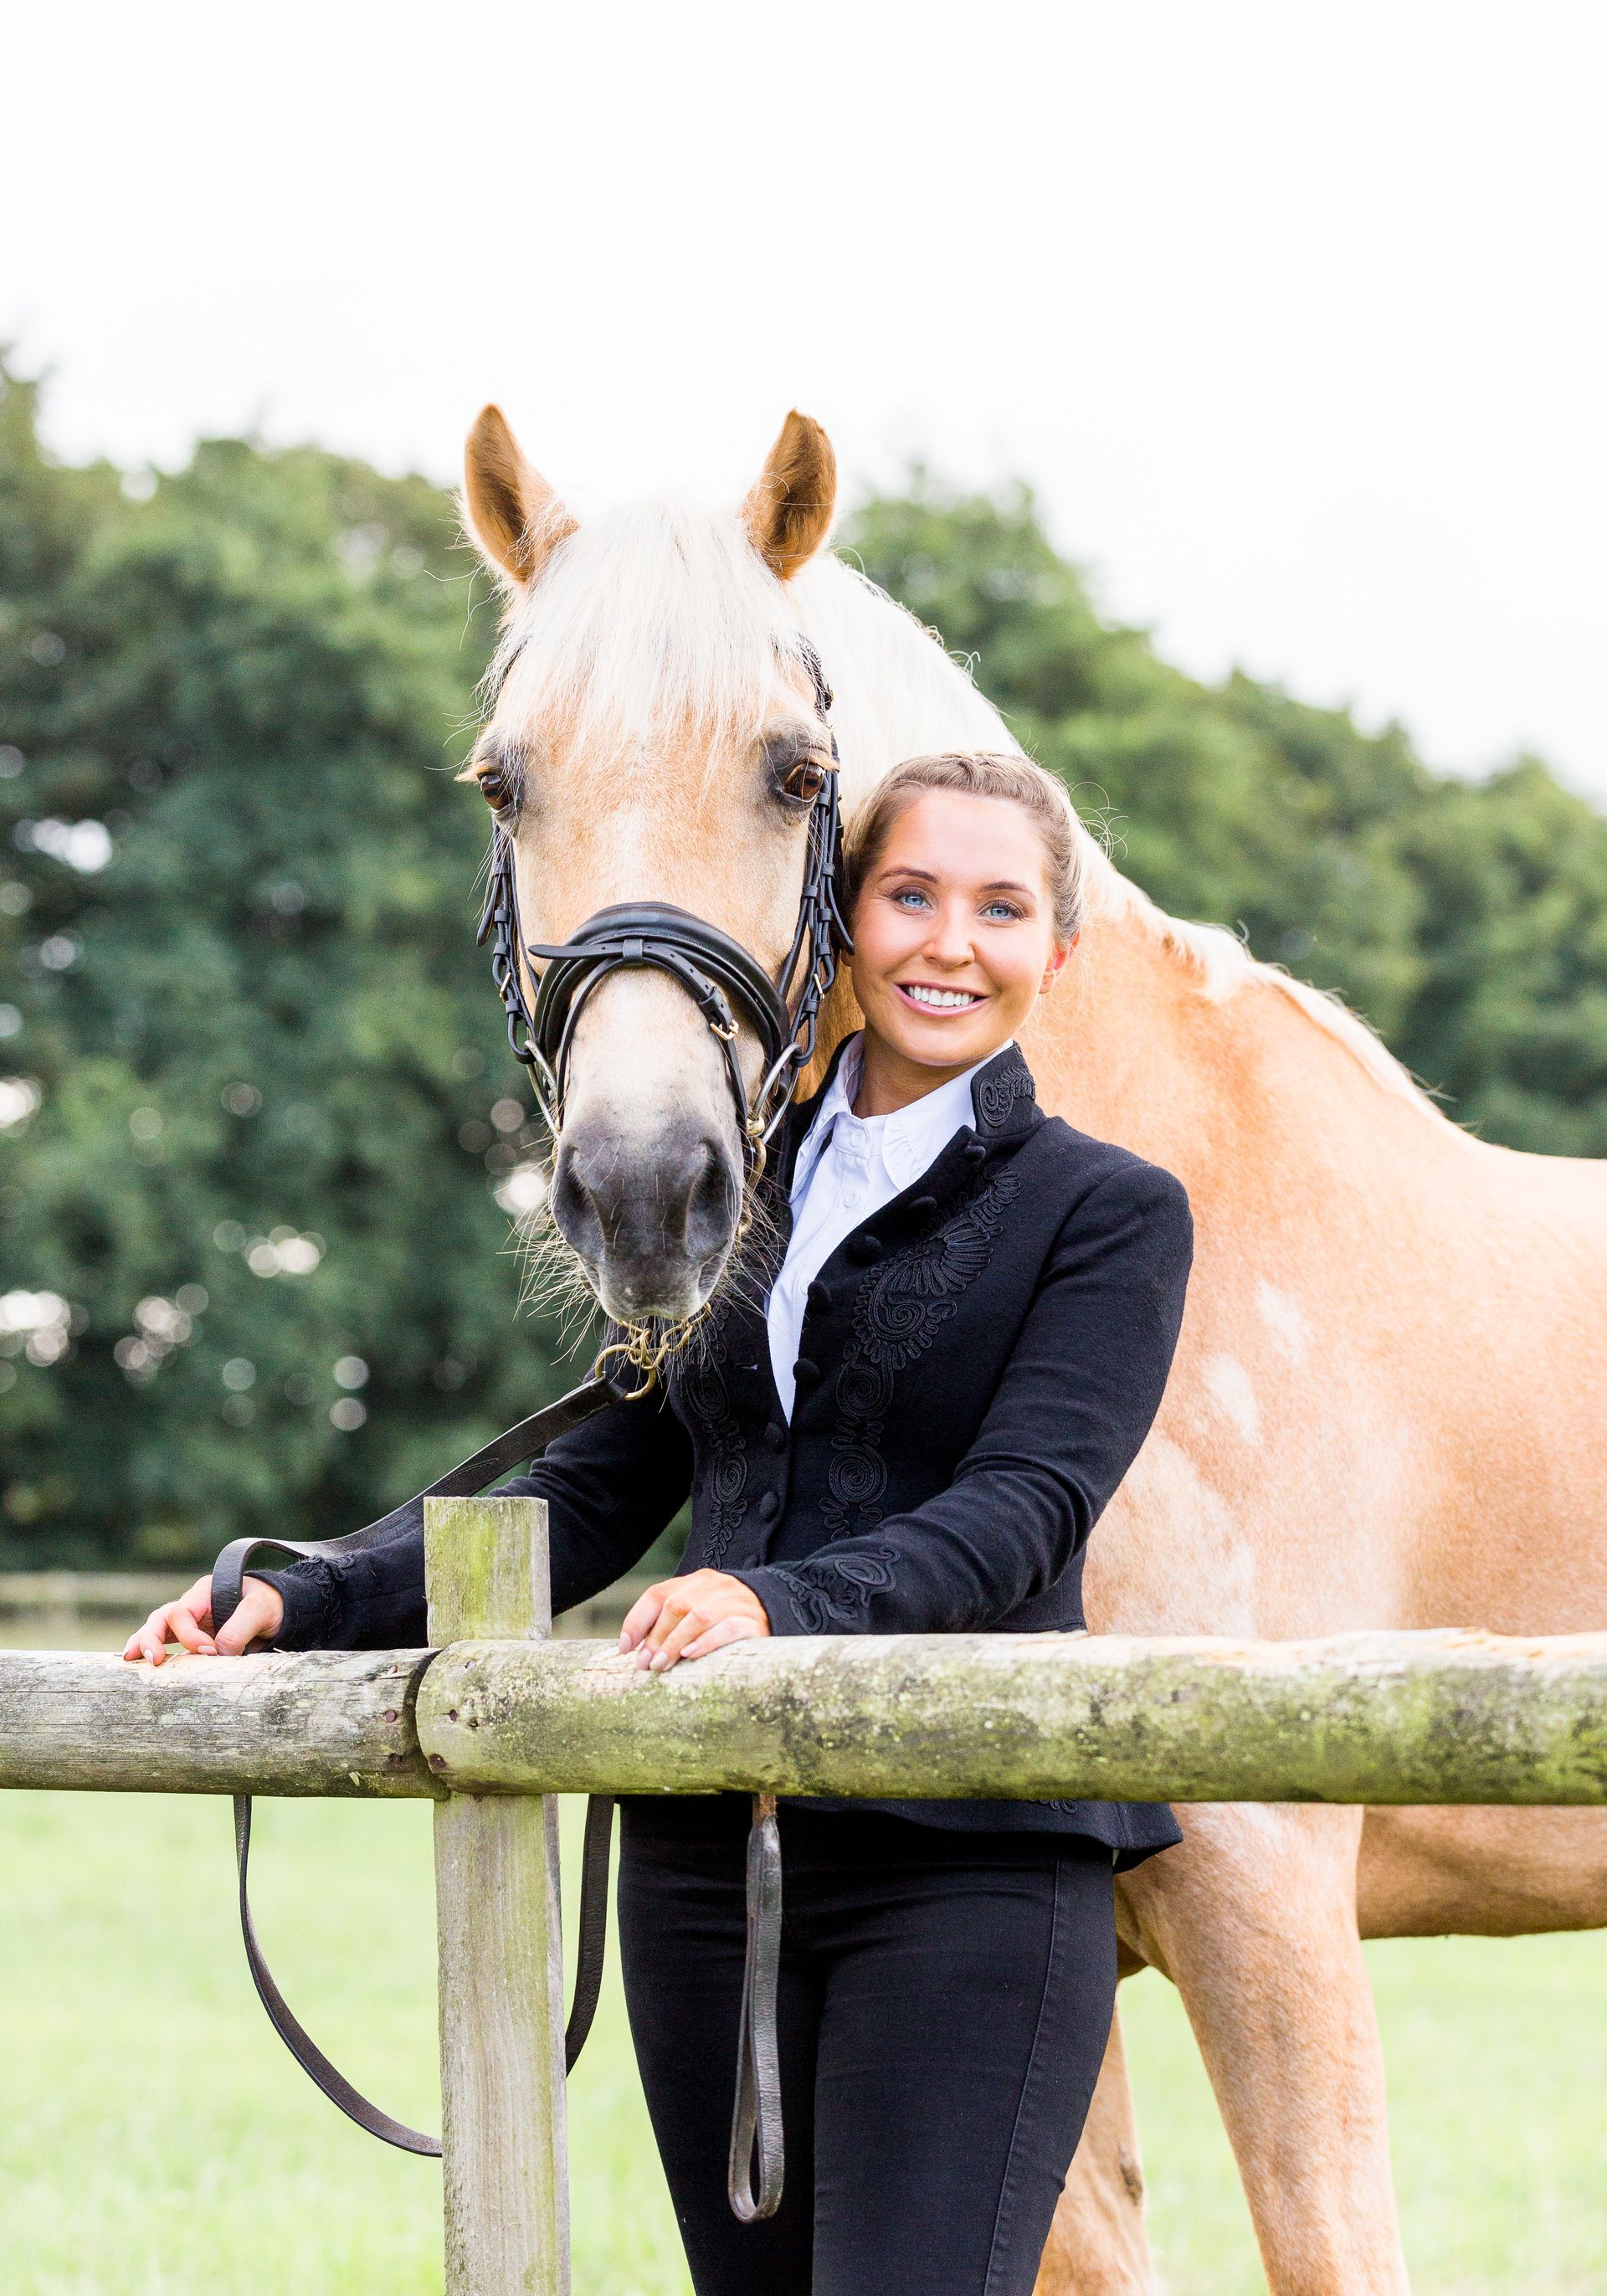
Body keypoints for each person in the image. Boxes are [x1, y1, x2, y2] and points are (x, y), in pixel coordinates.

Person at [127, 750, 1193, 2296]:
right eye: (909, 896)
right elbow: (595, 1487)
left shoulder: (1106, 1209)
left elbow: (1028, 1508)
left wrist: (779, 1604)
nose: (949, 943)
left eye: (1000, 907)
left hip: (965, 1867)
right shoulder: (728, 1186)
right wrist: (305, 1599)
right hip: (701, 1860)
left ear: (1057, 950)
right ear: (841, 920)